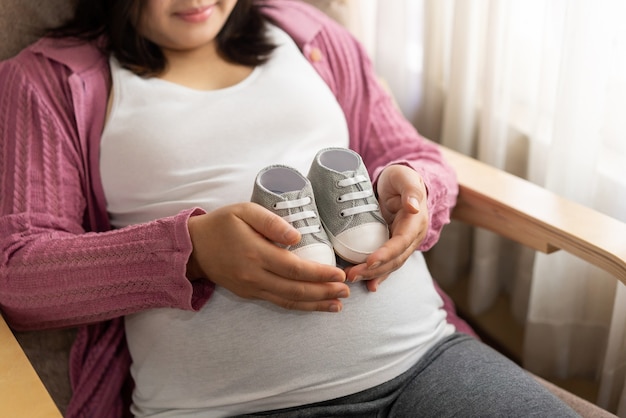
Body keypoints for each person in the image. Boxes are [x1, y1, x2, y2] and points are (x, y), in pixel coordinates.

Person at [0, 1, 579, 417]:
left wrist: (416, 187)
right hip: (231, 406)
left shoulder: (309, 33)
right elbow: (19, 272)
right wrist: (192, 253)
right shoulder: (48, 80)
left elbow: (410, 153)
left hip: (429, 364)